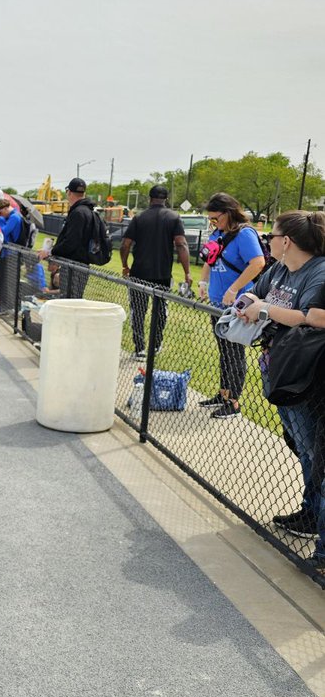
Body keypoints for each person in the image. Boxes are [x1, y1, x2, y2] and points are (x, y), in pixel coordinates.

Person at [237, 212, 325, 552]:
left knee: (312, 450)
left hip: (302, 374)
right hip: (275, 365)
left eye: (270, 236)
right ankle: (309, 512)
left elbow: (310, 318)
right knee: (298, 444)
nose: (267, 241)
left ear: (286, 241)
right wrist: (249, 305)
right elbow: (253, 296)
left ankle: (315, 518)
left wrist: (263, 310)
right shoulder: (277, 270)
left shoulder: (317, 271)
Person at [198, 192, 266, 419]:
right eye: (210, 220)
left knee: (234, 353)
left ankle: (233, 403)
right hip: (217, 302)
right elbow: (209, 258)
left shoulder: (244, 234)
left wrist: (234, 288)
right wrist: (202, 282)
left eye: (215, 218)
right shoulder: (218, 233)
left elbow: (258, 263)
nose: (213, 223)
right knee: (223, 351)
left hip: (237, 305)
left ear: (228, 213)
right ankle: (223, 393)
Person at [119, 185, 192, 357]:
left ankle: (140, 349)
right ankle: (156, 345)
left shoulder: (139, 218)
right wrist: (187, 272)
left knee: (138, 310)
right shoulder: (174, 217)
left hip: (139, 273)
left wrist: (125, 265)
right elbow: (181, 244)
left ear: (149, 198)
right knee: (160, 311)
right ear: (165, 199)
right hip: (163, 274)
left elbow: (125, 244)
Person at [49, 177, 99, 299]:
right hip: (81, 264)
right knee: (74, 299)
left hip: (74, 266)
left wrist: (52, 252)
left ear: (69, 192)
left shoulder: (78, 212)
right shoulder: (87, 211)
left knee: (70, 300)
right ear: (84, 193)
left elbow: (71, 242)